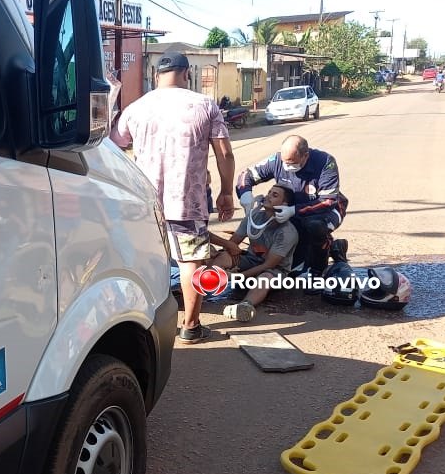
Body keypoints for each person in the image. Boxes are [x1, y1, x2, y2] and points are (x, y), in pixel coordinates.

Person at [111, 51, 236, 344]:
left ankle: (140, 327)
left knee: (142, 263)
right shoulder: (204, 105)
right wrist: (226, 193)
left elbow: (113, 148)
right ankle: (191, 327)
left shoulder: (136, 107)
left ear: (156, 76)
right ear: (186, 73)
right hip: (188, 203)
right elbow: (225, 154)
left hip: (143, 204)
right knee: (191, 264)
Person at [235, 135, 348, 281]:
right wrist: (245, 196)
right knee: (294, 269)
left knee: (314, 227)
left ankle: (317, 271)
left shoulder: (325, 163)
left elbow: (327, 201)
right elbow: (246, 175)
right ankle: (333, 247)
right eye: (285, 162)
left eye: (292, 163)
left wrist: (293, 211)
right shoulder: (277, 161)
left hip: (327, 209)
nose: (287, 167)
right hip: (293, 209)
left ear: (305, 155)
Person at [210, 184, 298, 322]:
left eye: (275, 195)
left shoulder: (287, 232)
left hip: (274, 271)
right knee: (224, 257)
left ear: (284, 205)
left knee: (265, 277)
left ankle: (245, 306)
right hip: (250, 261)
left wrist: (238, 277)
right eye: (269, 192)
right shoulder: (254, 217)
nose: (268, 196)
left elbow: (268, 265)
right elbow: (233, 244)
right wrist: (218, 254)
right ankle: (203, 284)